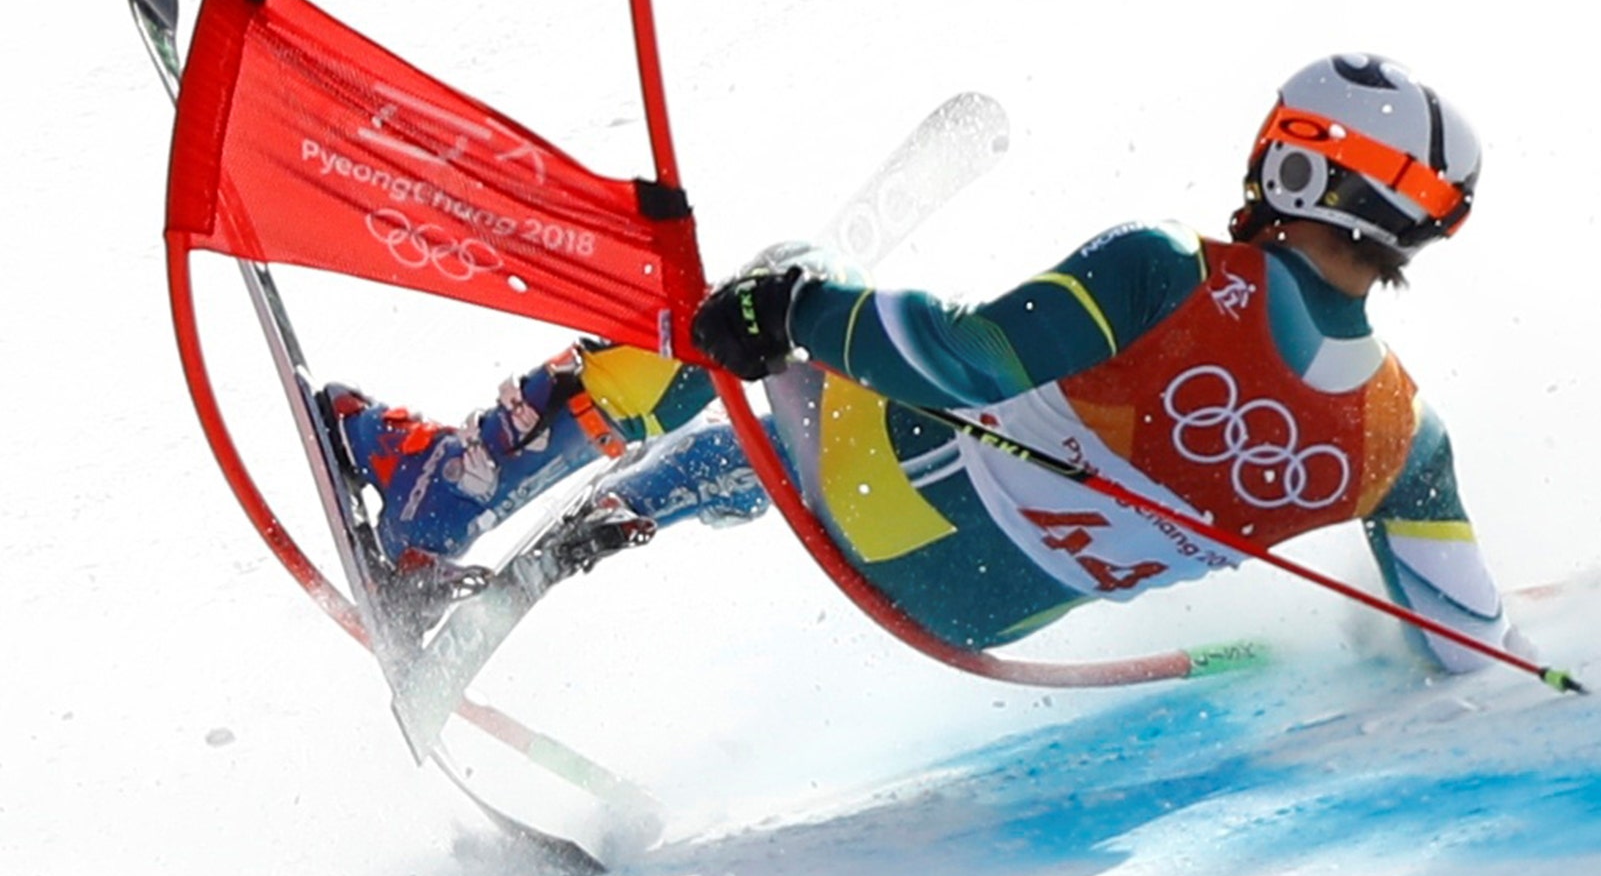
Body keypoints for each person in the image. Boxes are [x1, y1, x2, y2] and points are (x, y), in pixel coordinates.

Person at [328, 52, 1530, 672]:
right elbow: (1464, 639)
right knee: (791, 428)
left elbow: (971, 360)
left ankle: (453, 492)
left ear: (1295, 171)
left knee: (769, 289)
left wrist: (803, 302)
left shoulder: (1170, 271)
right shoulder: (1401, 438)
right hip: (977, 612)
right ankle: (645, 501)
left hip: (891, 511)